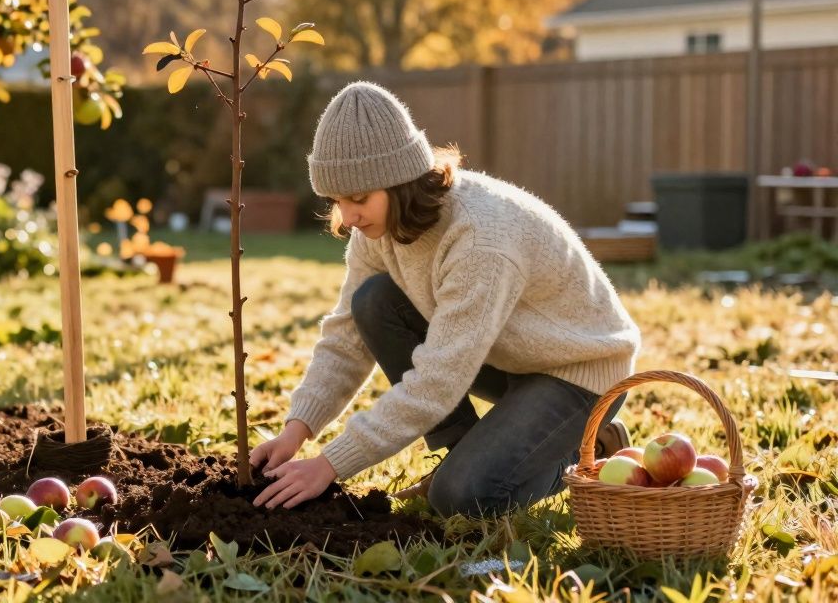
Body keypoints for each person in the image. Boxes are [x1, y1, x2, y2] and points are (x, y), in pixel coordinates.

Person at [251, 81, 639, 517]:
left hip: (579, 371)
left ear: (400, 180)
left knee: (461, 498)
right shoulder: (375, 231)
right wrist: (296, 430)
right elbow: (345, 336)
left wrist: (330, 465)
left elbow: (438, 380)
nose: (349, 216)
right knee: (371, 301)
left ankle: (589, 449)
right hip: (505, 356)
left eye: (358, 199)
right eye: (337, 200)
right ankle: (464, 453)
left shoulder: (479, 237)